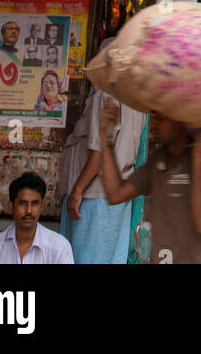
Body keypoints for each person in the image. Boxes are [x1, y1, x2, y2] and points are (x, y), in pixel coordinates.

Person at [99, 100, 201, 264]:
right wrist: (106, 139)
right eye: (154, 117)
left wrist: (199, 157)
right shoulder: (157, 161)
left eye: (161, 118)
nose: (154, 124)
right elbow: (115, 194)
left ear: (180, 120)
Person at [58, 63, 145, 264]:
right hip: (117, 195)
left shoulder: (104, 92)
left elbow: (98, 150)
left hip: (94, 197)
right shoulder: (136, 96)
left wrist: (77, 190)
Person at [0, 171, 73, 265]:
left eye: (35, 203)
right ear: (11, 206)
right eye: (22, 203)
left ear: (42, 207)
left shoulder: (59, 246)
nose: (29, 210)